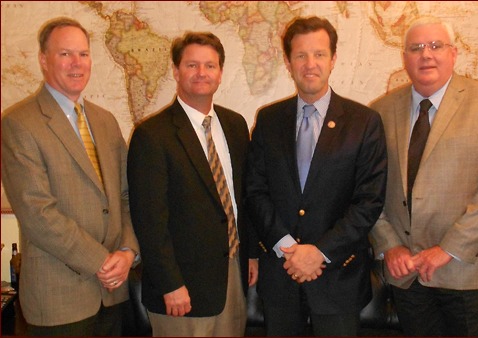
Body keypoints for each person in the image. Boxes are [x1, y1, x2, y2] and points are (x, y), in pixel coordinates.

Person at [369, 16, 478, 336]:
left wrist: (448, 249)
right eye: (416, 48)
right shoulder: (381, 111)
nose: (426, 54)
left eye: (436, 46)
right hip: (407, 275)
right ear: (404, 57)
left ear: (454, 53)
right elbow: (369, 189)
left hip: (468, 272)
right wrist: (388, 244)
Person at [246, 16, 387, 336]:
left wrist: (319, 252)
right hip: (281, 275)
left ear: (333, 59)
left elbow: (369, 200)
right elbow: (255, 190)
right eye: (301, 55)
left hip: (339, 277)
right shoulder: (268, 120)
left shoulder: (364, 122)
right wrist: (287, 248)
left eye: (320, 54)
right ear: (288, 61)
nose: (310, 64)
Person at [1, 17, 140, 336]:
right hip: (58, 302)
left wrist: (128, 251)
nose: (77, 64)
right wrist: (101, 262)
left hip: (112, 295)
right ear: (43, 60)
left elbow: (126, 197)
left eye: (83, 54)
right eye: (65, 54)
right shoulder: (19, 124)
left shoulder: (105, 122)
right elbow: (38, 213)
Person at [127, 31, 259, 337]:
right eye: (192, 65)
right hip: (181, 288)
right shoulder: (152, 136)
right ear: (175, 71)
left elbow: (243, 197)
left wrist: (251, 254)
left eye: (210, 66)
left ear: (221, 72)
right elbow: (149, 220)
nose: (202, 73)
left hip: (232, 276)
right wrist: (170, 283)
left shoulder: (235, 125)